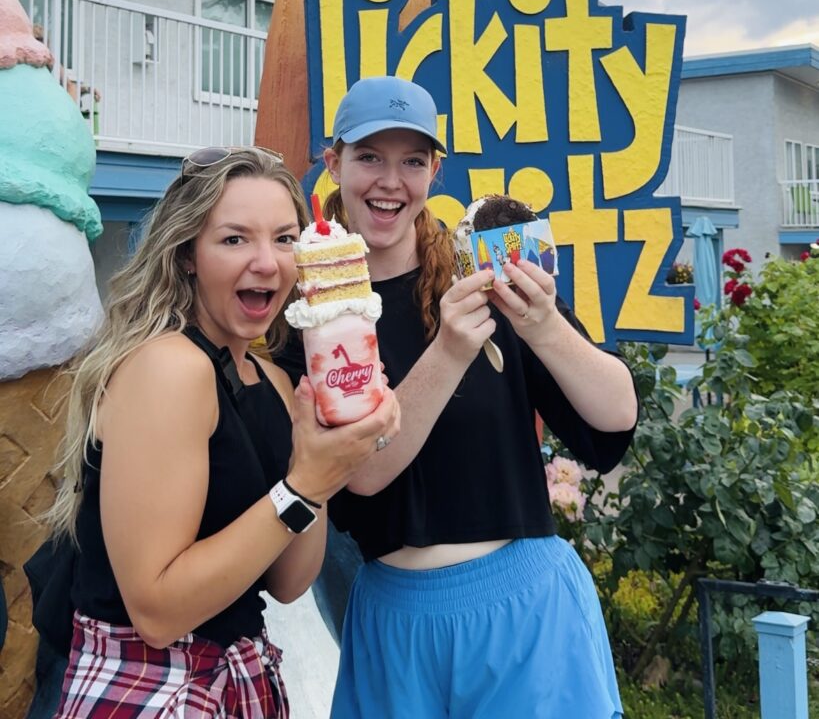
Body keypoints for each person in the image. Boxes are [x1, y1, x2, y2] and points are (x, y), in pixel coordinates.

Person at [279, 76, 639, 718]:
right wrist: (448, 352)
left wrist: (544, 324)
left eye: (412, 161)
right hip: (394, 622)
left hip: (523, 610)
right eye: (369, 157)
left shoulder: (486, 272)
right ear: (333, 163)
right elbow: (359, 476)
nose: (391, 181)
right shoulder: (309, 311)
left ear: (434, 172)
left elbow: (612, 422)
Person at [47, 145, 399, 718]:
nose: (267, 262)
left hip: (238, 678)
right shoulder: (169, 367)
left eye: (285, 239)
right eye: (235, 239)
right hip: (147, 686)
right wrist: (304, 486)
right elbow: (156, 612)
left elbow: (288, 581)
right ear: (187, 253)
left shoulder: (272, 381)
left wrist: (327, 458)